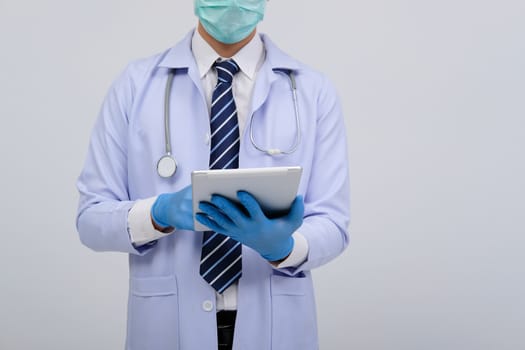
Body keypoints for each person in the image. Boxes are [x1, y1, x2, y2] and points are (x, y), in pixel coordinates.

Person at [76, 1, 350, 349]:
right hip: (165, 327)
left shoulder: (312, 91)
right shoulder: (136, 85)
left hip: (277, 327)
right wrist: (156, 214)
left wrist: (284, 247)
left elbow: (334, 223)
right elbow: (90, 218)